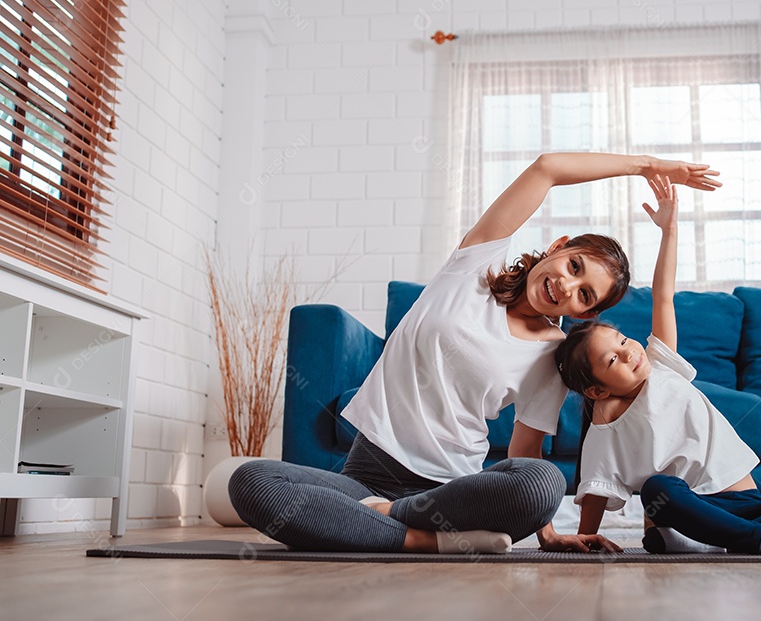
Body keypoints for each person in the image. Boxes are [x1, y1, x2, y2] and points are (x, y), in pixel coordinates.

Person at [229, 152, 722, 554]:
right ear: (559, 246)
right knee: (250, 482)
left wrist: (548, 535)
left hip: (454, 490)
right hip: (368, 476)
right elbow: (546, 169)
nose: (565, 286)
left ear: (584, 314)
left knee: (542, 482)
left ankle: (385, 528)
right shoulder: (475, 260)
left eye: (584, 295)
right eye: (573, 266)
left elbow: (526, 451)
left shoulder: (552, 355)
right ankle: (426, 541)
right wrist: (647, 166)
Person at [556, 174, 761, 556]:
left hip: (747, 502)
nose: (629, 352)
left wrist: (669, 230)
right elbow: (594, 490)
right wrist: (584, 536)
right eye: (613, 359)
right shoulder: (605, 428)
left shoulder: (662, 365)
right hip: (688, 504)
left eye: (624, 341)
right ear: (596, 389)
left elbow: (663, 296)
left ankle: (709, 539)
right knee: (660, 491)